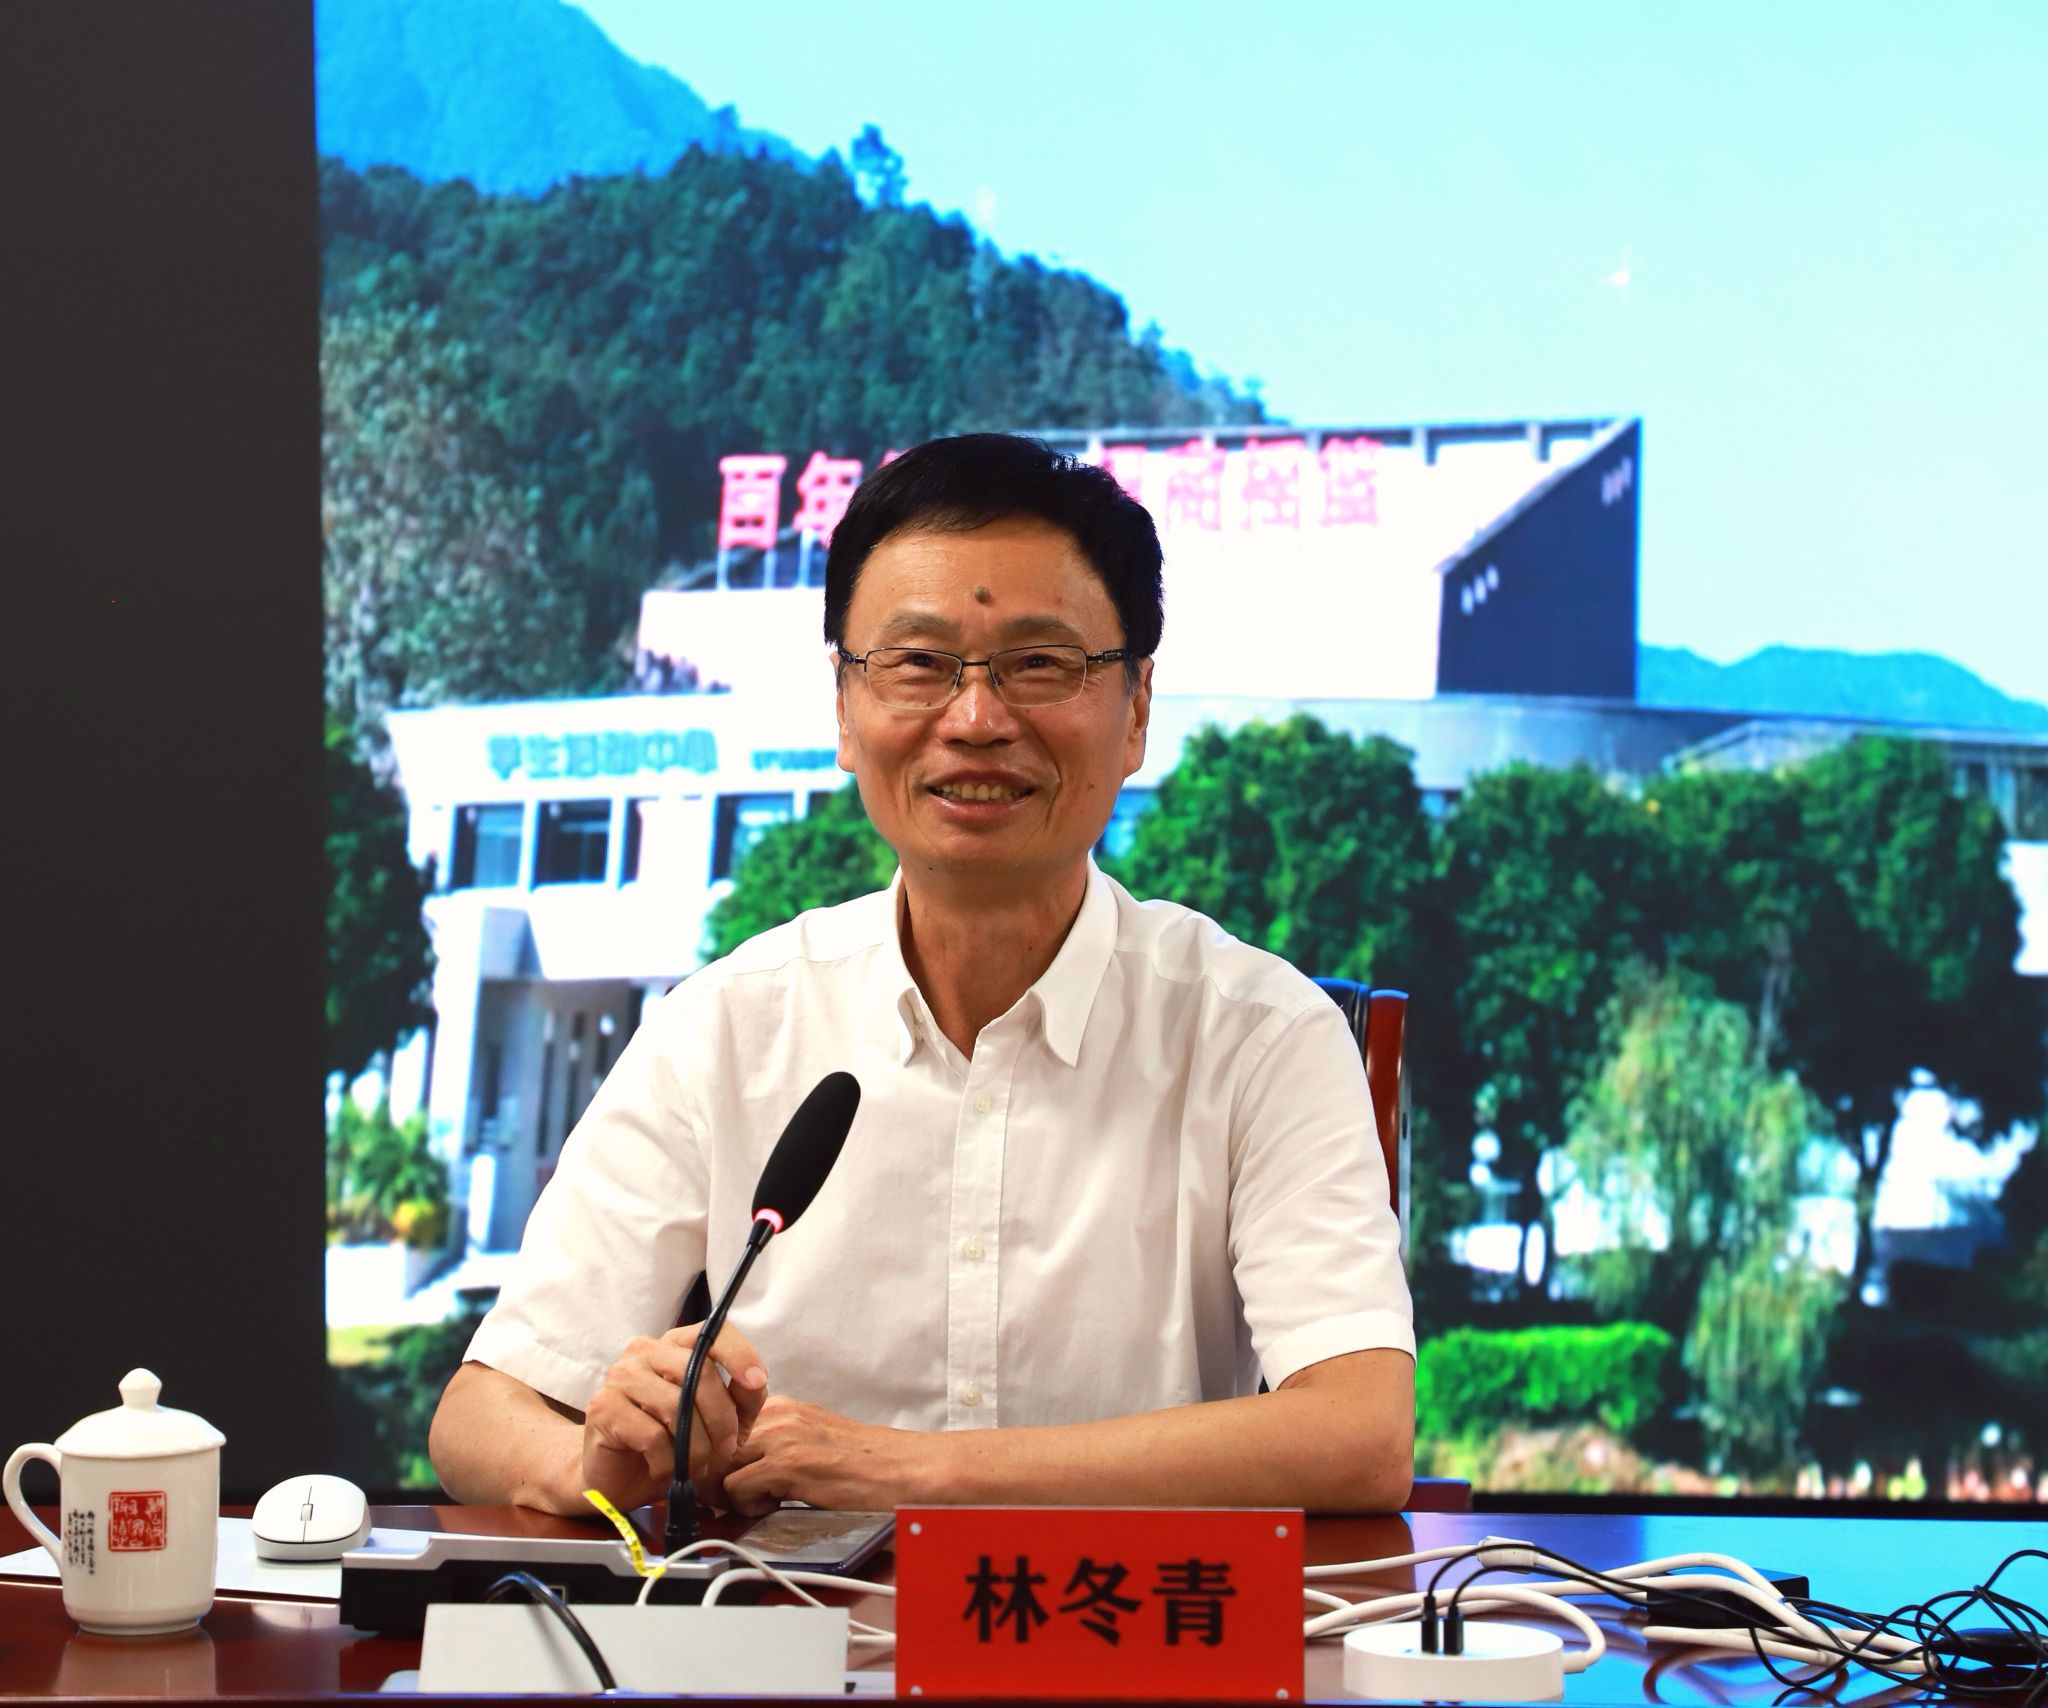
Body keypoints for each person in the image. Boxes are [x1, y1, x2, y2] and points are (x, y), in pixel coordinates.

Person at [429, 434, 1415, 1517]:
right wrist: (596, 1465)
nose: (977, 720)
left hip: (1115, 1621)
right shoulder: (725, 1027)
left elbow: (1356, 1432)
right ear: (844, 710)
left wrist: (914, 1474)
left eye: (1040, 664)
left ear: (1136, 709)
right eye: (918, 664)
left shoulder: (1258, 1032)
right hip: (782, 1625)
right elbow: (483, 1414)